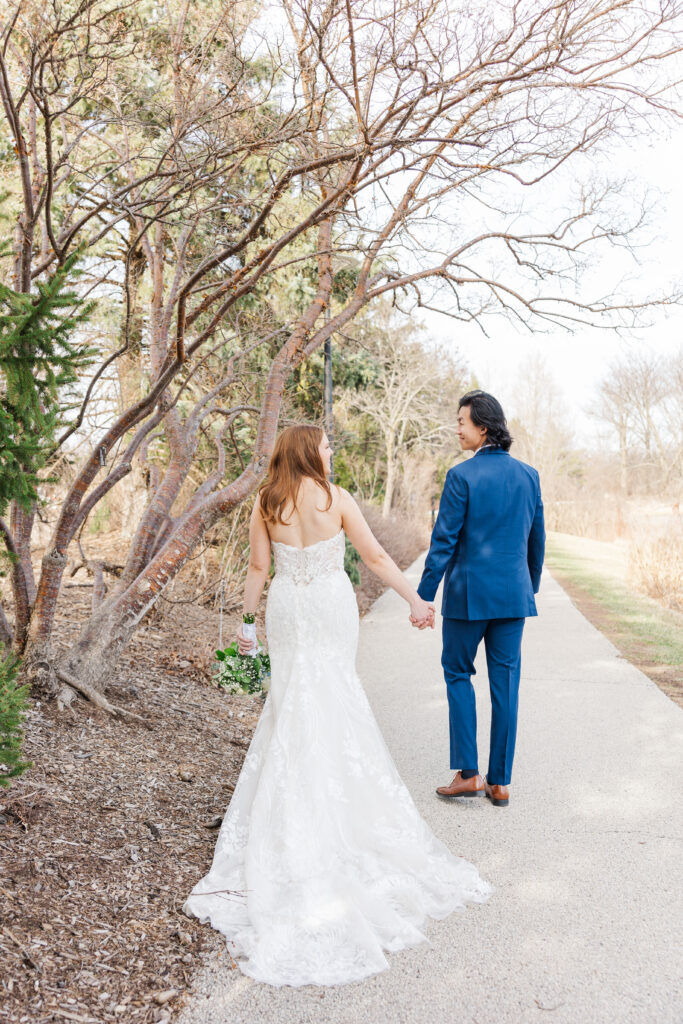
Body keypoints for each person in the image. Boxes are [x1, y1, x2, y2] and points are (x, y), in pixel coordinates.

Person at [183, 423, 491, 987]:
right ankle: (334, 804)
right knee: (333, 695)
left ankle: (293, 804)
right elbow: (374, 556)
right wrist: (416, 600)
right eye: (325, 445)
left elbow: (258, 569)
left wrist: (246, 625)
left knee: (291, 701)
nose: (330, 451)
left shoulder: (266, 502)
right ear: (308, 451)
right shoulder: (336, 498)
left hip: (288, 609)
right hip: (328, 606)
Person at [415, 391, 545, 807]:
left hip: (467, 599)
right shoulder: (529, 475)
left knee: (457, 673)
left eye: (461, 422)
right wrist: (528, 586)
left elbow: (443, 542)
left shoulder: (461, 476)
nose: (457, 429)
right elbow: (537, 540)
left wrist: (424, 595)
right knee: (506, 685)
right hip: (513, 598)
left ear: (482, 428)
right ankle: (500, 782)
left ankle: (469, 774)